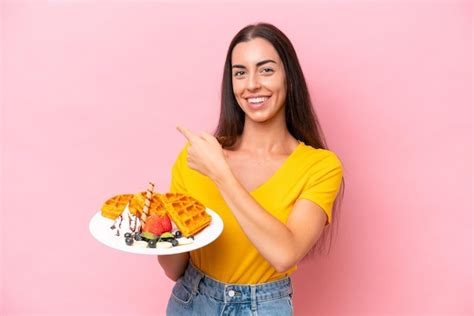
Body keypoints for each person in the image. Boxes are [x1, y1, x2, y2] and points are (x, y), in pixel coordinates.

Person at [158, 22, 344, 316]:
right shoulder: (197, 155)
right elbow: (174, 268)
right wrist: (157, 233)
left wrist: (221, 174)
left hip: (263, 307)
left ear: (290, 78)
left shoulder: (320, 166)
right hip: (190, 301)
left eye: (266, 69)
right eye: (240, 72)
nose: (252, 84)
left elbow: (284, 254)